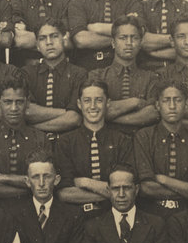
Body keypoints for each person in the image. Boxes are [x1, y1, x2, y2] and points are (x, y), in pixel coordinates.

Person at [134, 80, 188, 218]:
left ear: (186, 105)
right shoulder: (144, 137)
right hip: (151, 213)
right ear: (158, 105)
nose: (172, 106)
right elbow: (147, 188)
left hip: (186, 214)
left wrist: (164, 180)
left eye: (178, 100)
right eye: (166, 101)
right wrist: (186, 189)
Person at [55, 80, 133, 218]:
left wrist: (85, 182)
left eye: (98, 100)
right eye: (87, 101)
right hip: (77, 217)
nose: (92, 106)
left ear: (107, 103)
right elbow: (64, 193)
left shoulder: (122, 140)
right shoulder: (66, 142)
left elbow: (127, 192)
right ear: (79, 104)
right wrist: (107, 192)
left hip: (112, 216)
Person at [0, 77, 53, 200]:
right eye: (8, 102)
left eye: (19, 102)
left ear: (27, 103)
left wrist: (2, 177)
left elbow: (48, 183)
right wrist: (29, 187)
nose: (14, 108)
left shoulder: (40, 139)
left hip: (31, 209)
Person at [89, 15, 160, 133]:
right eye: (123, 38)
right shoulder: (97, 76)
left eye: (134, 38)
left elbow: (152, 113)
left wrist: (110, 118)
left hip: (140, 142)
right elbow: (94, 109)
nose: (129, 43)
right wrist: (134, 102)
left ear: (141, 42)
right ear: (113, 42)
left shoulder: (151, 78)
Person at [19, 19, 85, 135]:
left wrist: (33, 128)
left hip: (68, 142)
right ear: (37, 45)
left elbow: (74, 119)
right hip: (36, 144)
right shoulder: (27, 73)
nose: (49, 42)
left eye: (54, 36)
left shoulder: (79, 74)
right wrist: (66, 112)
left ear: (64, 39)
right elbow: (28, 112)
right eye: (42, 38)